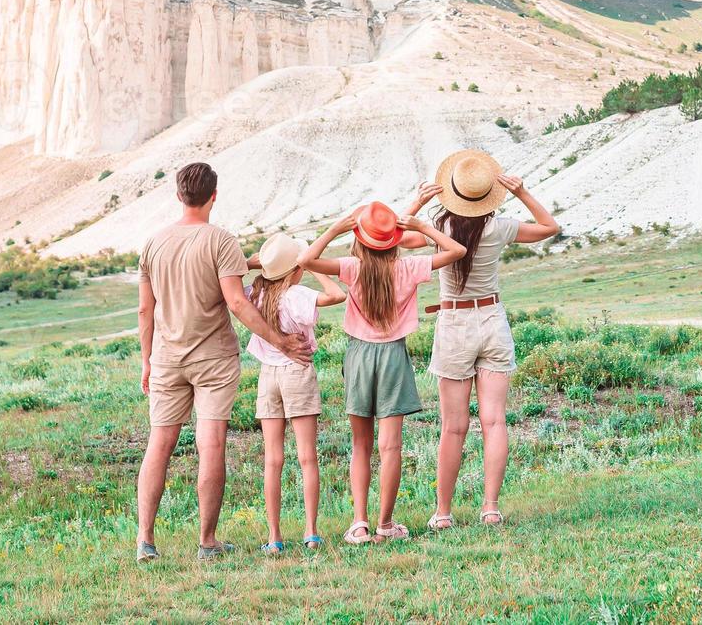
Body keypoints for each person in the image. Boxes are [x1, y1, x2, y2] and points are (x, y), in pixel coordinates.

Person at [134, 163, 311, 565]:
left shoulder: (153, 243)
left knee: (158, 443)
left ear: (179, 196)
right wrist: (279, 340)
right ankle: (207, 540)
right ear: (214, 195)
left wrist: (146, 361)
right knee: (210, 444)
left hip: (165, 357)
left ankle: (145, 539)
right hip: (212, 358)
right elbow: (236, 302)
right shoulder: (221, 241)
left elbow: (146, 309)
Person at [402, 150, 559, 529]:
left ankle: (443, 512)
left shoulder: (440, 227)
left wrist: (419, 203)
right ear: (488, 193)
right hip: (492, 318)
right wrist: (521, 192)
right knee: (494, 422)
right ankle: (490, 507)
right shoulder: (501, 227)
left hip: (455, 322)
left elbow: (394, 236)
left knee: (453, 426)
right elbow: (549, 227)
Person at [298, 201, 465, 545]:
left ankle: (359, 523)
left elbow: (305, 260)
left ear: (359, 238)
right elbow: (457, 250)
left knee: (361, 445)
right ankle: (385, 523)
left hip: (359, 355)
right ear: (393, 242)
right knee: (391, 447)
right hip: (393, 356)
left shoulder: (351, 268)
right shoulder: (408, 268)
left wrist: (335, 228)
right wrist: (421, 227)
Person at [243, 233, 347, 554]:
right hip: (297, 372)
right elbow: (336, 294)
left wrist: (253, 263)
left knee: (273, 459)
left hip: (267, 376)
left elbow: (231, 281)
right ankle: (310, 531)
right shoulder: (295, 294)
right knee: (307, 457)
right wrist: (311, 263)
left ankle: (274, 537)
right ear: (296, 269)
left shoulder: (254, 293)